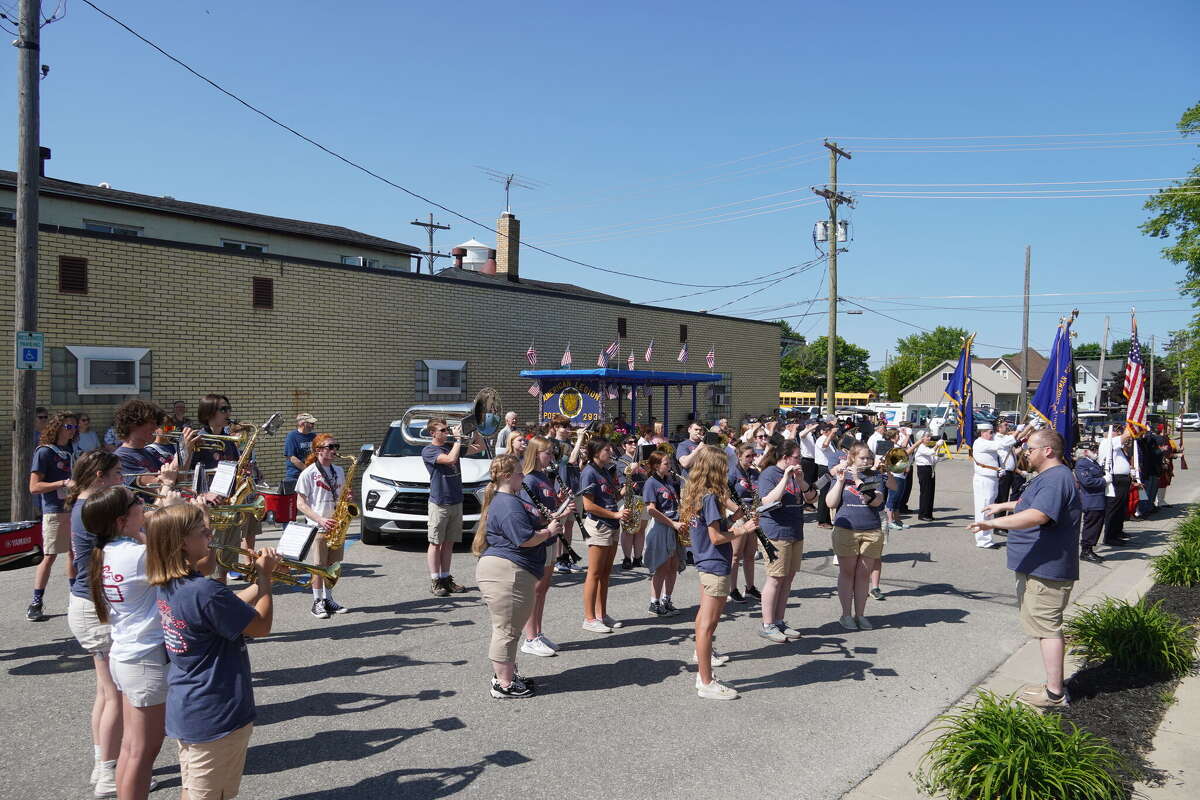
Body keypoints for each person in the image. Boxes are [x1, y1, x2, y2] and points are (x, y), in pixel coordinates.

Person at [148, 503, 280, 800]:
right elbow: (261, 625)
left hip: (193, 704)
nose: (210, 534)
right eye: (202, 531)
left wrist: (258, 584)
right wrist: (266, 580)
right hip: (215, 713)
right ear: (182, 542)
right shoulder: (204, 591)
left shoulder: (174, 584)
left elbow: (228, 607)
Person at [968, 430, 1081, 710]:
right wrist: (1003, 506)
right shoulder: (1050, 478)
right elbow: (1029, 503)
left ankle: (1055, 693)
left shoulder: (1056, 479)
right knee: (1044, 628)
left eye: (1030, 449)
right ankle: (1052, 686)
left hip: (1047, 569)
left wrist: (993, 525)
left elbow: (1038, 515)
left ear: (1048, 451)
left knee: (1048, 629)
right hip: (1038, 566)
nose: (1026, 453)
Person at [86, 485, 169, 800]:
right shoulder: (137, 555)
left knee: (132, 748)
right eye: (137, 502)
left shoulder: (110, 551)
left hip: (127, 654)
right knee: (142, 752)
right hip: (145, 657)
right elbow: (193, 563)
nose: (143, 504)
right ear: (121, 521)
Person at [472, 454, 563, 698]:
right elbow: (525, 539)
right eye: (519, 474)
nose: (523, 477)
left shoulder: (508, 500)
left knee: (508, 628)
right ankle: (504, 684)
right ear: (506, 476)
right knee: (507, 629)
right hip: (506, 571)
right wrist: (549, 531)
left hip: (507, 569)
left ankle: (507, 674)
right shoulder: (508, 504)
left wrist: (549, 520)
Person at [63, 451, 126, 797]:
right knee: (115, 693)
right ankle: (108, 773)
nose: (123, 478)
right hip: (95, 607)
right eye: (118, 473)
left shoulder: (85, 504)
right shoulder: (93, 509)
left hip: (88, 604)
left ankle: (103, 762)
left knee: (105, 692)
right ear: (100, 475)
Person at [684, 446, 757, 700]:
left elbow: (711, 528)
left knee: (703, 620)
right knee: (708, 625)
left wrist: (735, 517)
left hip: (707, 562)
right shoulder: (710, 497)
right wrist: (743, 529)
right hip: (714, 562)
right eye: (724, 465)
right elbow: (716, 538)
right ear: (715, 468)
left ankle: (702, 674)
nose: (727, 469)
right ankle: (706, 681)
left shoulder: (699, 494)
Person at [518, 437, 575, 657]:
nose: (551, 457)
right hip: (540, 538)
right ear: (535, 453)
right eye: (547, 453)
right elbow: (533, 516)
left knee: (543, 589)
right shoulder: (529, 480)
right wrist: (561, 514)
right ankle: (530, 637)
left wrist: (559, 501)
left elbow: (547, 507)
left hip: (550, 538)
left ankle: (538, 633)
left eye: (552, 453)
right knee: (535, 590)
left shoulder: (543, 477)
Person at [756, 440, 816, 642]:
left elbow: (811, 498)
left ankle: (779, 620)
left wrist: (800, 480)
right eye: (797, 457)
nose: (800, 460)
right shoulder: (769, 474)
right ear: (785, 457)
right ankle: (768, 624)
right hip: (776, 531)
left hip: (795, 531)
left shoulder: (798, 475)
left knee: (788, 579)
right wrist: (785, 478)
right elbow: (767, 501)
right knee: (775, 579)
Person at [827, 443, 891, 630]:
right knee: (847, 573)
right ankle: (846, 615)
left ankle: (860, 615)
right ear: (852, 458)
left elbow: (877, 501)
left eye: (869, 458)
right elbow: (830, 502)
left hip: (871, 530)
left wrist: (857, 479)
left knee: (863, 575)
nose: (867, 461)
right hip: (846, 529)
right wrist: (839, 481)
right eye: (862, 458)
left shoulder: (875, 476)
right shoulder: (842, 476)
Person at [27, 411, 79, 621]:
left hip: (72, 508)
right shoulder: (45, 452)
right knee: (50, 556)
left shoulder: (69, 449)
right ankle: (36, 602)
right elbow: (34, 487)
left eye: (74, 426)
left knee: (73, 553)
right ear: (57, 427)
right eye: (68, 426)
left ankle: (75, 596)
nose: (72, 430)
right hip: (55, 511)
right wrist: (63, 483)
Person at [422, 418, 483, 596]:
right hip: (439, 502)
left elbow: (479, 448)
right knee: (435, 543)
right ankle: (435, 581)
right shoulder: (429, 450)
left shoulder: (451, 445)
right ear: (433, 433)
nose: (446, 432)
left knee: (449, 544)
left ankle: (446, 578)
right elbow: (449, 460)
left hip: (456, 501)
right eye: (442, 430)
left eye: (447, 429)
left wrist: (475, 430)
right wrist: (457, 440)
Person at [579, 438, 632, 632]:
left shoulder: (605, 471)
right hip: (599, 525)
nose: (611, 452)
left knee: (605, 574)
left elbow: (612, 496)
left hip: (612, 524)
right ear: (596, 452)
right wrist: (615, 514)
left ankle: (601, 614)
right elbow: (588, 505)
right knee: (594, 573)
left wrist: (627, 486)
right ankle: (589, 618)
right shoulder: (589, 472)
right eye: (606, 449)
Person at [295, 433, 349, 618]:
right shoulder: (308, 473)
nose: (335, 451)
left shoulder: (339, 471)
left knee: (332, 565)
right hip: (318, 525)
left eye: (336, 446)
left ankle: (328, 599)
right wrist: (320, 519)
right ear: (318, 450)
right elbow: (300, 504)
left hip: (337, 525)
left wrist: (348, 499)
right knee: (318, 566)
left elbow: (342, 496)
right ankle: (317, 602)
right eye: (330, 447)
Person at [643, 451, 685, 617]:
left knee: (673, 566)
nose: (670, 467)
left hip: (674, 526)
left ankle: (667, 599)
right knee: (662, 566)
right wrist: (672, 523)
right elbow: (651, 510)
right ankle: (654, 602)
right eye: (666, 464)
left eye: (670, 464)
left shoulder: (669, 480)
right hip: (662, 527)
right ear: (656, 466)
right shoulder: (651, 483)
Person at [727, 443, 762, 603]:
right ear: (739, 456)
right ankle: (732, 589)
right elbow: (724, 495)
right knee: (736, 555)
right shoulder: (733, 472)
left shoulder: (755, 473)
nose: (751, 459)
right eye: (747, 456)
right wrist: (738, 510)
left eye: (753, 456)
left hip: (752, 513)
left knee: (750, 554)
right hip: (739, 514)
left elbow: (758, 494)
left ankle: (750, 587)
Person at [615, 436, 648, 570]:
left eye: (635, 442)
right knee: (628, 530)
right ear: (624, 446)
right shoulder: (622, 460)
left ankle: (638, 558)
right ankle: (627, 558)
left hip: (643, 496)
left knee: (640, 530)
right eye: (630, 443)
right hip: (630, 496)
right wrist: (639, 462)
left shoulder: (642, 460)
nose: (633, 444)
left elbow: (648, 474)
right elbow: (629, 470)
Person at [1097, 426, 1133, 546]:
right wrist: (1131, 424)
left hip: (1122, 480)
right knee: (1113, 509)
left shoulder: (1114, 445)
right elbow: (1126, 436)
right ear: (1108, 433)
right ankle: (1109, 537)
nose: (1118, 433)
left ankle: (1117, 532)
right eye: (1115, 431)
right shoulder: (1107, 442)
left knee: (1120, 509)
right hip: (1115, 480)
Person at [971, 423, 1004, 549]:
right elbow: (1001, 444)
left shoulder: (987, 442)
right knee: (983, 509)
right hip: (983, 480)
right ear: (982, 432)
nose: (992, 434)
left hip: (991, 478)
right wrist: (1019, 433)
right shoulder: (980, 443)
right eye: (990, 432)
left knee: (989, 509)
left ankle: (987, 538)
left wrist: (998, 469)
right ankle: (982, 539)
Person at [1074, 441, 1107, 564]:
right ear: (1086, 451)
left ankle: (1090, 549)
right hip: (1091, 499)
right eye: (1093, 449)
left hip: (1098, 498)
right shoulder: (1082, 464)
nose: (1096, 452)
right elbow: (1087, 482)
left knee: (1097, 525)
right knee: (1091, 526)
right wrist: (1104, 481)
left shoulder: (1092, 462)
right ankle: (1086, 551)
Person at [813, 423, 841, 529]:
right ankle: (822, 520)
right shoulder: (822, 439)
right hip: (824, 468)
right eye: (831, 431)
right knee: (824, 494)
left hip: (830, 468)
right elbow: (824, 446)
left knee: (829, 493)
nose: (834, 433)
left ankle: (828, 519)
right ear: (826, 431)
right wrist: (831, 434)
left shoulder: (830, 439)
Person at [282, 413, 317, 494]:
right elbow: (292, 457)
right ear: (302, 423)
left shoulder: (313, 436)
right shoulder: (292, 436)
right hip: (295, 476)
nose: (313, 425)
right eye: (311, 423)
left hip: (311, 475)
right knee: (293, 503)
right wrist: (307, 470)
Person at [913, 429, 944, 522]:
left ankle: (928, 513)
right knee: (925, 493)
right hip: (923, 470)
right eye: (927, 436)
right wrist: (937, 445)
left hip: (930, 469)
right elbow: (930, 452)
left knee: (930, 493)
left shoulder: (926, 447)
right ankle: (923, 514)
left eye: (929, 436)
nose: (929, 438)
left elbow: (933, 457)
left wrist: (938, 452)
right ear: (921, 438)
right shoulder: (920, 447)